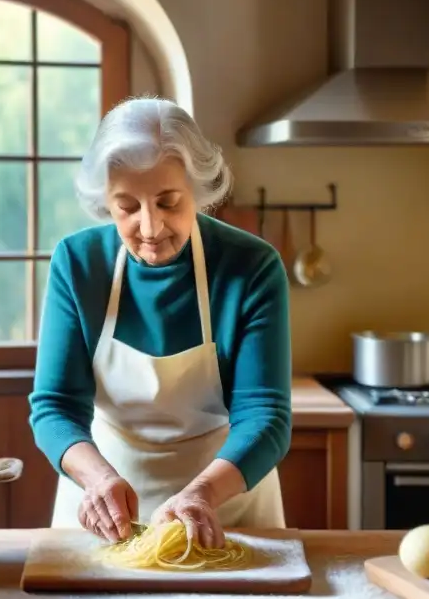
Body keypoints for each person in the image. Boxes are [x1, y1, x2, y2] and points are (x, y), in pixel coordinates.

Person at [28, 96, 291, 549]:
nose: (150, 228)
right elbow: (54, 406)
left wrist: (202, 494)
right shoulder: (77, 264)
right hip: (106, 506)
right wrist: (96, 479)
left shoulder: (252, 267)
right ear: (104, 202)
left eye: (168, 203)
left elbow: (265, 415)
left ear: (198, 190)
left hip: (224, 504)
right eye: (127, 207)